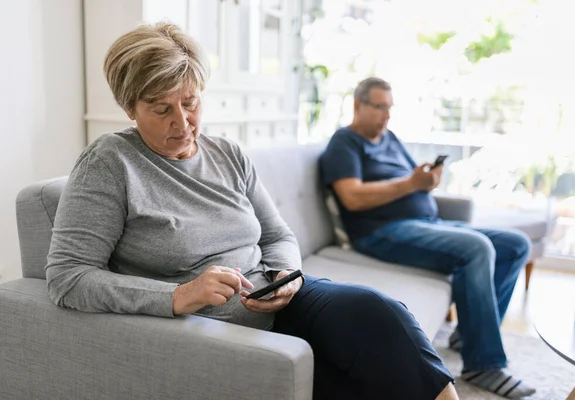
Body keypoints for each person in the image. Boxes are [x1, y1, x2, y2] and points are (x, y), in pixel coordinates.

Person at [45, 23, 458, 400]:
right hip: (208, 328)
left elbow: (278, 236)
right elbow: (68, 278)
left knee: (380, 314)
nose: (183, 122)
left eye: (190, 102)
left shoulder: (227, 154)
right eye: (161, 109)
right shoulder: (109, 163)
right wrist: (179, 295)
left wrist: (284, 276)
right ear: (129, 109)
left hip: (278, 298)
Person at [319, 77, 536, 399]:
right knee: (476, 249)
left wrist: (427, 181)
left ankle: (469, 335)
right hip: (380, 231)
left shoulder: (389, 138)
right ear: (357, 105)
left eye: (389, 108)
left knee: (515, 245)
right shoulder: (345, 142)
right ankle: (483, 364)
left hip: (423, 222)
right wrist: (411, 185)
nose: (386, 116)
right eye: (379, 107)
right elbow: (352, 198)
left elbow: (412, 178)